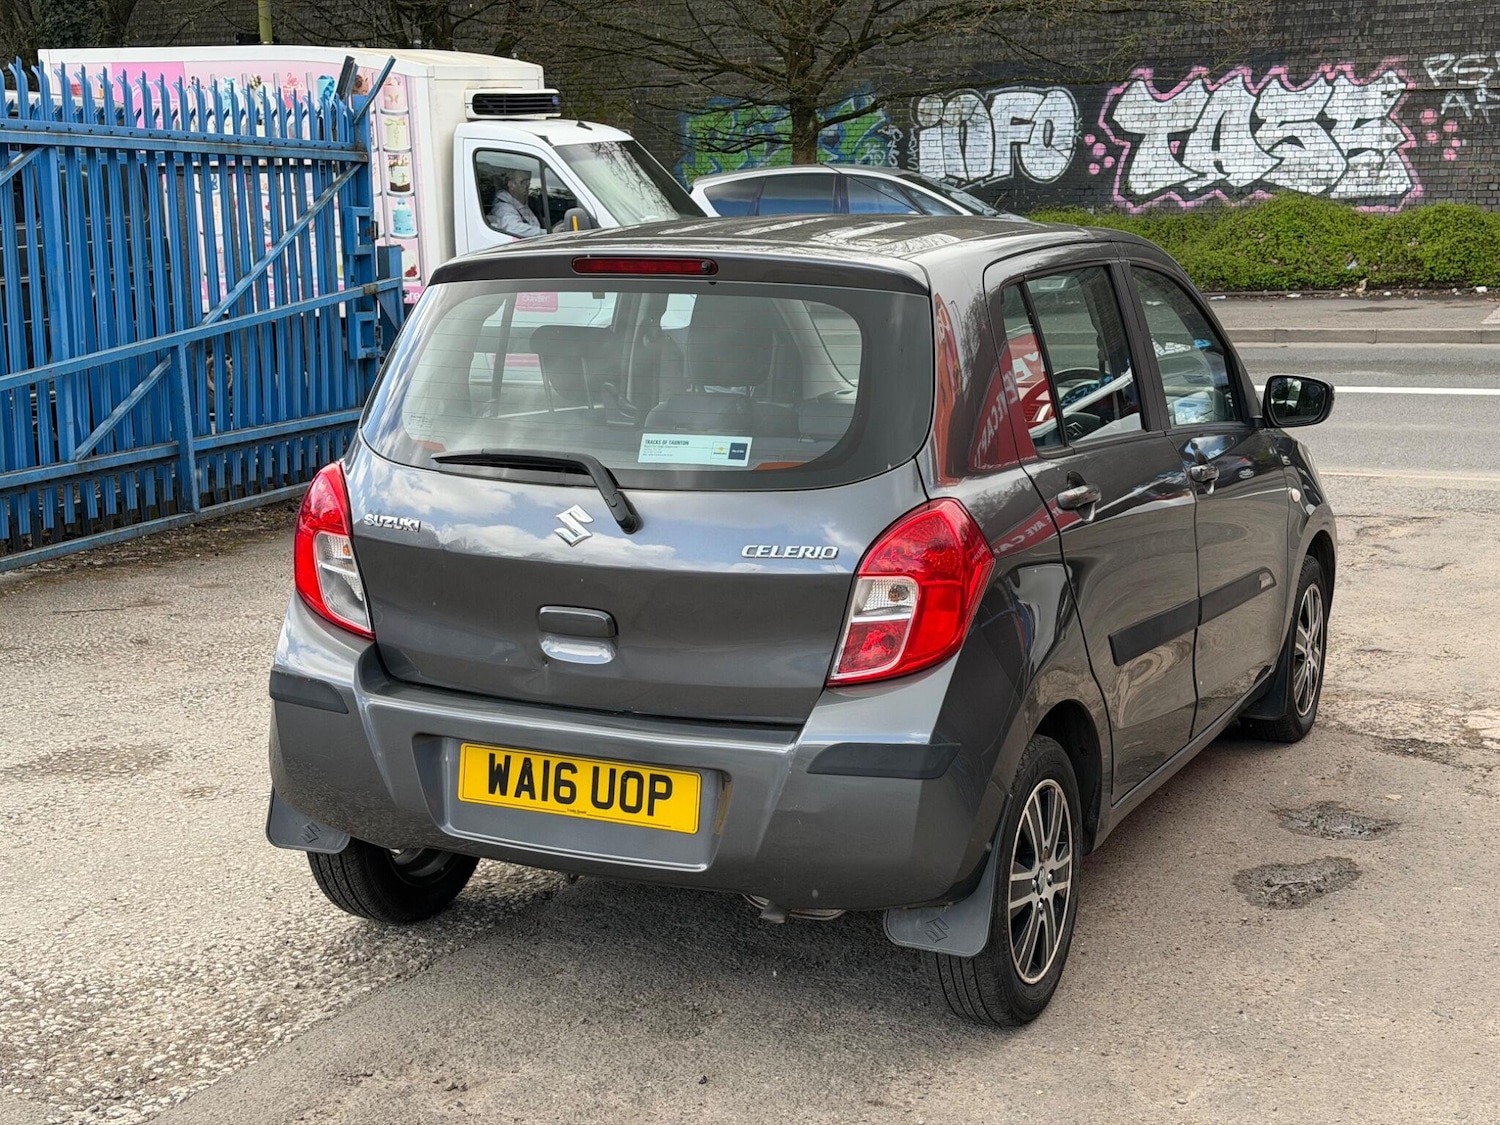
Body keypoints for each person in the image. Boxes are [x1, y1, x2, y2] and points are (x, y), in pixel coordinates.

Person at [487, 171, 544, 239]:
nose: (527, 185)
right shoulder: (503, 207)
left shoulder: (521, 203)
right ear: (511, 185)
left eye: (528, 181)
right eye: (523, 182)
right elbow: (514, 228)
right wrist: (546, 232)